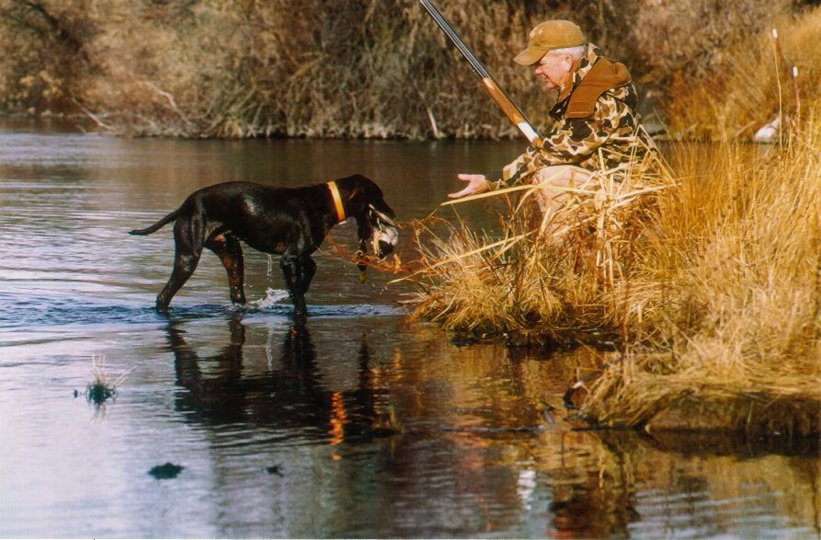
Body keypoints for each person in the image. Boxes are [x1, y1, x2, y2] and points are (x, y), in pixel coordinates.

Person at [448, 19, 657, 211]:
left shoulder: (594, 98)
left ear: (566, 60)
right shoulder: (590, 77)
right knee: (538, 174)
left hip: (630, 189)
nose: (536, 71)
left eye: (540, 63)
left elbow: (553, 154)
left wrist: (490, 180)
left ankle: (564, 250)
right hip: (619, 180)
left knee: (549, 177)